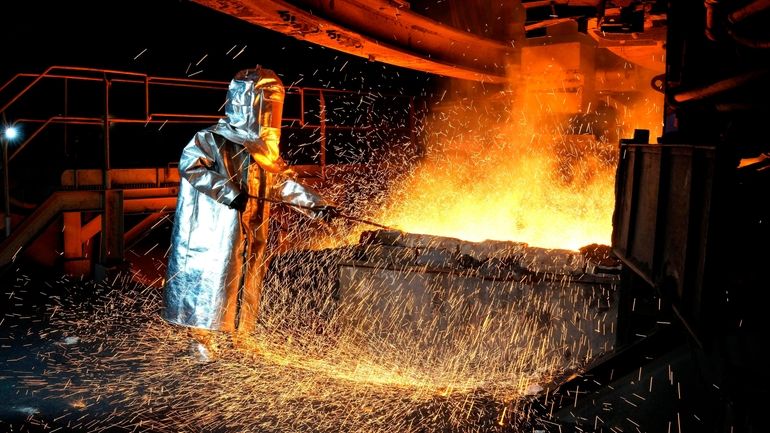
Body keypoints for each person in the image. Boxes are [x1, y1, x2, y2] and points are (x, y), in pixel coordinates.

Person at [163, 67, 336, 362]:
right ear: (247, 104)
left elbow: (281, 185)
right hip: (214, 234)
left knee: (243, 282)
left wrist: (318, 207)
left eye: (274, 108)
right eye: (266, 107)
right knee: (209, 283)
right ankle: (200, 341)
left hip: (250, 231)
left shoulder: (264, 152)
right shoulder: (212, 139)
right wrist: (230, 193)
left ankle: (238, 339)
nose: (270, 116)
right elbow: (191, 167)